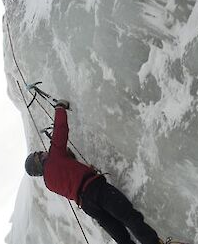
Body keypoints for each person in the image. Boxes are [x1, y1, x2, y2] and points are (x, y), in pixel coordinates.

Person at [25, 100, 161, 244]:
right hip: (96, 190)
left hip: (87, 205)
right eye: (39, 154)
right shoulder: (54, 157)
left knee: (120, 235)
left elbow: (68, 174)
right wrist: (59, 108)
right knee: (128, 216)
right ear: (39, 163)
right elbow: (60, 130)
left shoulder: (49, 184)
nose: (42, 152)